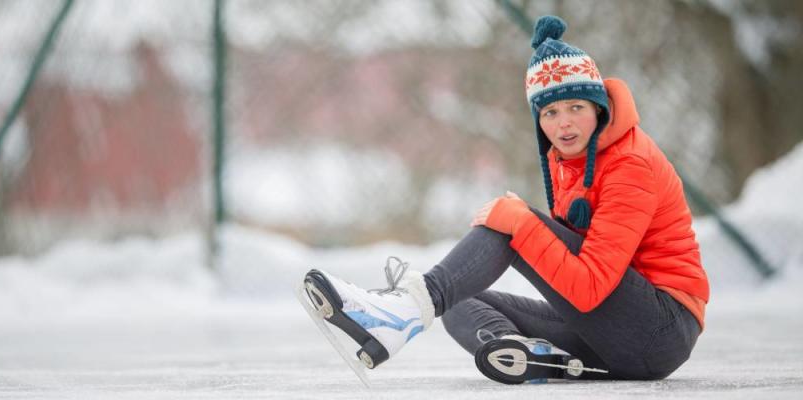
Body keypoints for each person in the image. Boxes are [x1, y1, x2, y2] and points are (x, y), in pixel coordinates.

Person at [301, 15, 709, 384]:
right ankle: (520, 353)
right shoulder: (570, 160)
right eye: (549, 112)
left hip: (660, 330)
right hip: (614, 338)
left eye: (575, 107)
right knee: (460, 298)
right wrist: (520, 222)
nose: (562, 122)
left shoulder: (629, 163)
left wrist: (520, 223)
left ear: (599, 109)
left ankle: (401, 313)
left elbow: (588, 288)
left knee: (508, 227)